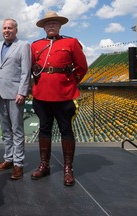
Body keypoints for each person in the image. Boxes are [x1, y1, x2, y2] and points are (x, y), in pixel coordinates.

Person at [31, 11, 88, 186]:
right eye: (47, 24)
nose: (51, 26)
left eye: (54, 23)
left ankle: (68, 169)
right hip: (41, 95)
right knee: (44, 129)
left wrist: (70, 82)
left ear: (60, 26)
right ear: (43, 27)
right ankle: (44, 165)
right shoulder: (35, 45)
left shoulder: (71, 42)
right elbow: (32, 68)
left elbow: (82, 67)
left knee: (66, 131)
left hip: (64, 95)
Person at [0, 18, 31, 180]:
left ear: (16, 30)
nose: (6, 30)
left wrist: (22, 92)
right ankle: (8, 159)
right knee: (5, 130)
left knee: (17, 130)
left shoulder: (23, 46)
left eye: (9, 28)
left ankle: (19, 164)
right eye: (4, 28)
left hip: (15, 94)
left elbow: (26, 71)